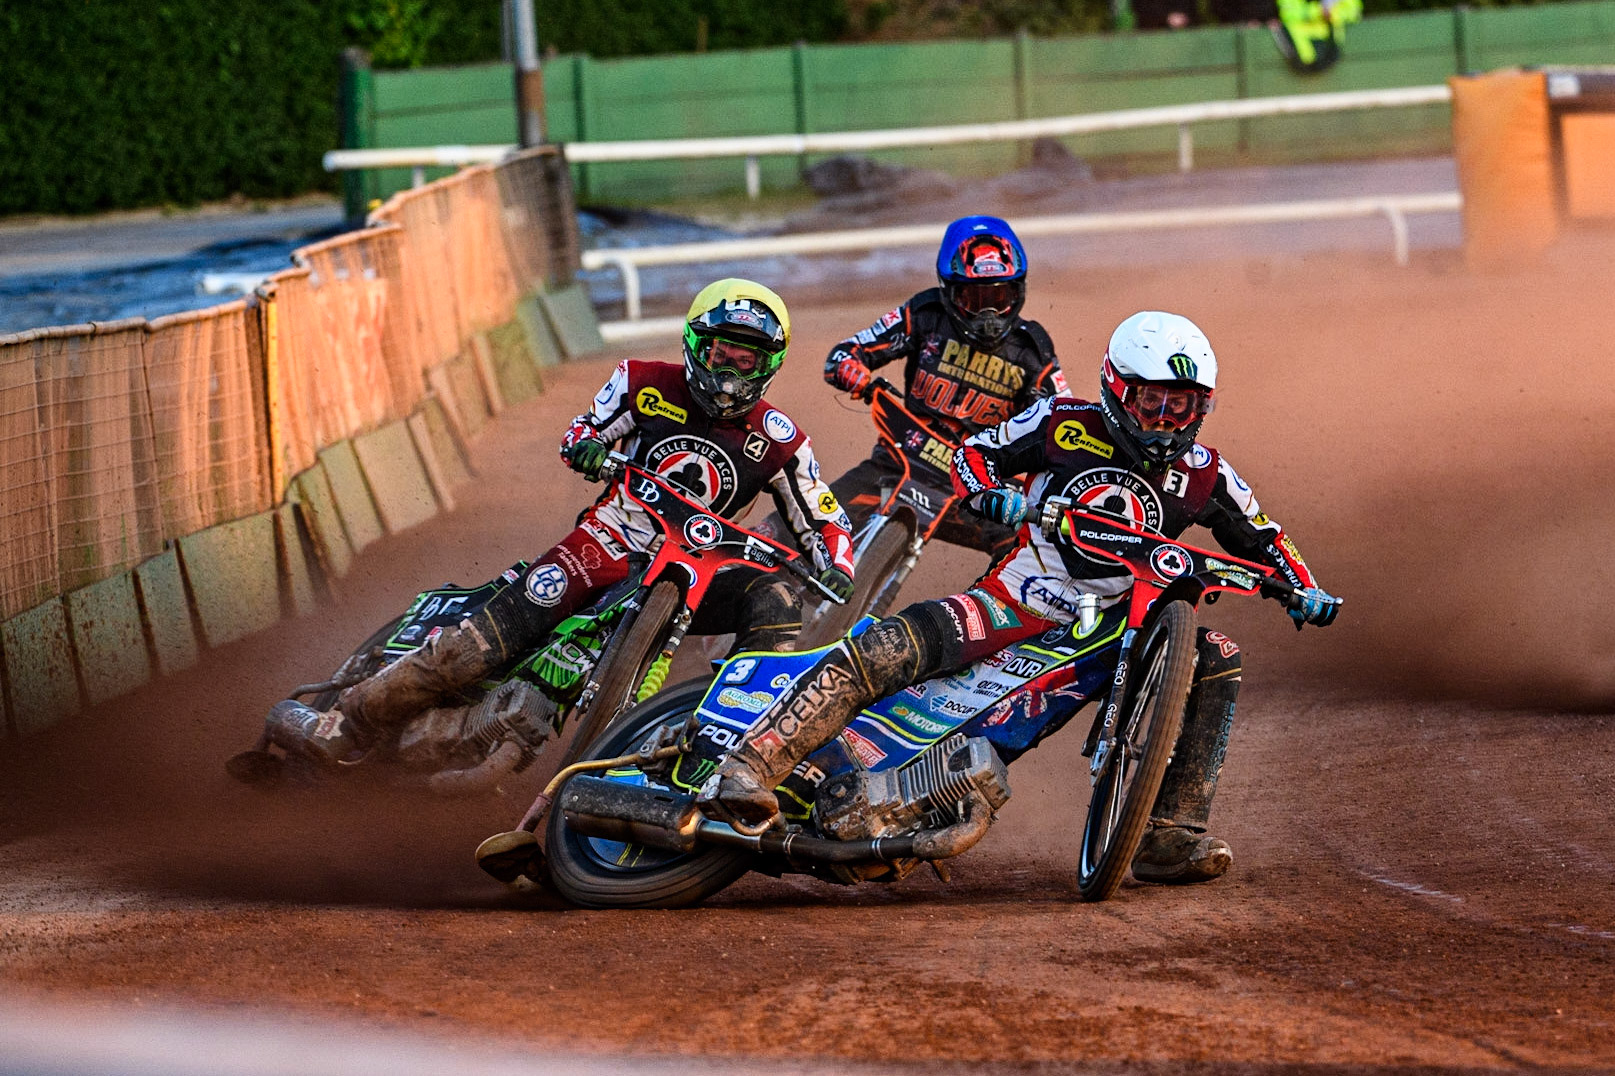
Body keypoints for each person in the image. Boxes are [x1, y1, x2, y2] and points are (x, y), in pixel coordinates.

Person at [699, 310, 1341, 884]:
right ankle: (751, 766)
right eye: (1153, 403)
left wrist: (1304, 588)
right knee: (887, 645)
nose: (1167, 421)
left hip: (1113, 628)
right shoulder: (1063, 422)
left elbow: (1265, 538)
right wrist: (988, 491)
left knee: (1216, 651)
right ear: (1119, 389)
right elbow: (974, 455)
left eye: (1183, 407)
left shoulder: (1206, 474)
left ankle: (1167, 833)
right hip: (1015, 596)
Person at [281, 279, 857, 760]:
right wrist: (584, 448)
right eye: (720, 352)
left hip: (699, 570)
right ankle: (345, 724)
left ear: (769, 364)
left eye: (746, 357)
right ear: (695, 346)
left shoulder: (782, 441)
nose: (730, 368)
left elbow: (823, 514)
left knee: (779, 599)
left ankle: (743, 740)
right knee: (475, 648)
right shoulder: (640, 381)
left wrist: (837, 563)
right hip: (608, 544)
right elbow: (581, 431)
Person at [817, 214, 1067, 560]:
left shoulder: (1033, 349)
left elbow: (1062, 421)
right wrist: (851, 369)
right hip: (900, 462)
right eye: (975, 300)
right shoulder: (924, 312)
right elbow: (845, 352)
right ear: (949, 291)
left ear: (1019, 290)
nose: (988, 315)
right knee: (808, 520)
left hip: (975, 483)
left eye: (1000, 296)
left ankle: (983, 610)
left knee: (1032, 550)